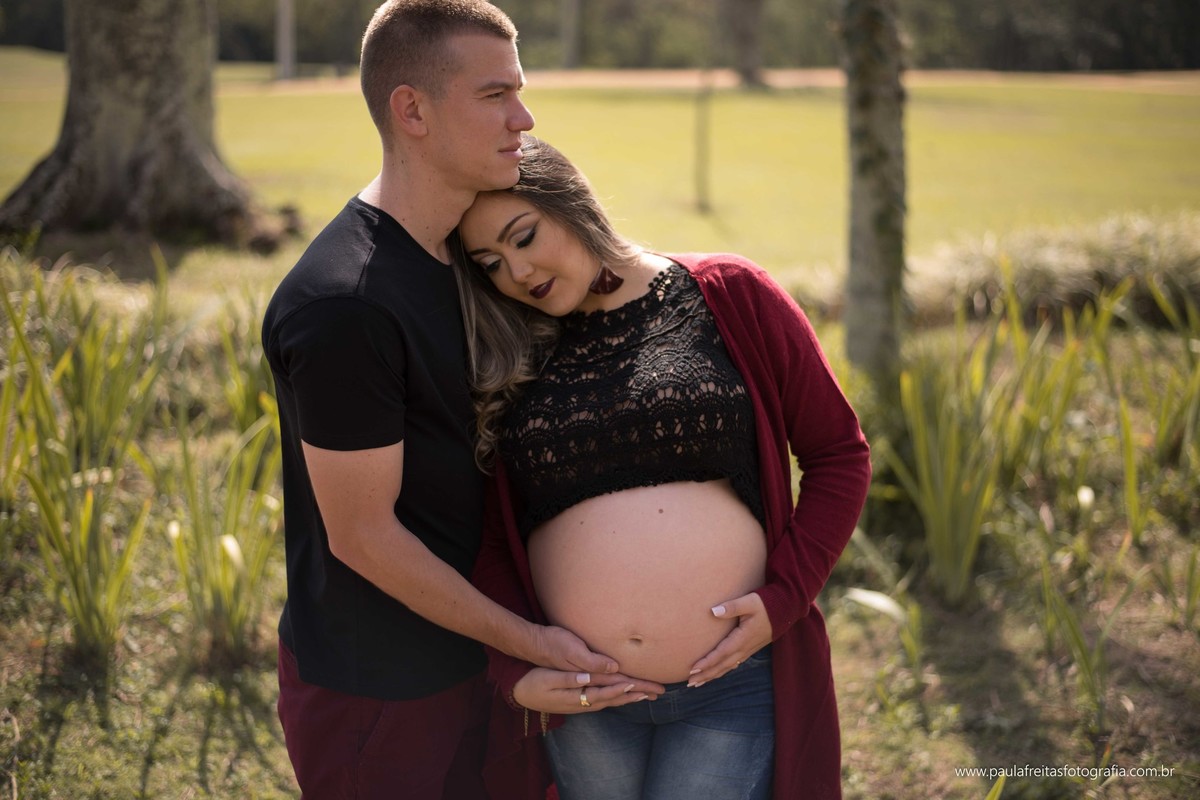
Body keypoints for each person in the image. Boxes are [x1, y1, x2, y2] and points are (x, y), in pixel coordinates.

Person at [261, 6, 656, 798]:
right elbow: (365, 538)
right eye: (495, 94)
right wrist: (531, 642)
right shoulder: (348, 303)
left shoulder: (465, 262)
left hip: (482, 669)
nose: (525, 117)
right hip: (383, 692)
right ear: (412, 110)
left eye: (521, 91)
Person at [452, 135, 872, 800]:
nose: (517, 272)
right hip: (584, 701)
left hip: (728, 682)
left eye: (524, 236)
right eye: (491, 263)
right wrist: (515, 670)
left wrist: (784, 598)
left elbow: (839, 454)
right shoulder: (507, 356)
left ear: (570, 200)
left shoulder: (729, 293)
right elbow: (490, 537)